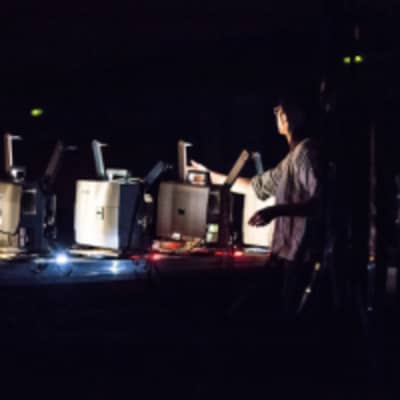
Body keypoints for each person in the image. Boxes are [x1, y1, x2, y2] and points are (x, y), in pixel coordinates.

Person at [191, 95, 322, 314]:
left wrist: (275, 211)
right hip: (290, 254)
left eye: (279, 110)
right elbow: (257, 186)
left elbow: (320, 202)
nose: (278, 115)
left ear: (290, 116)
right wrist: (209, 176)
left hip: (304, 256)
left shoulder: (307, 154)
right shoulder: (292, 158)